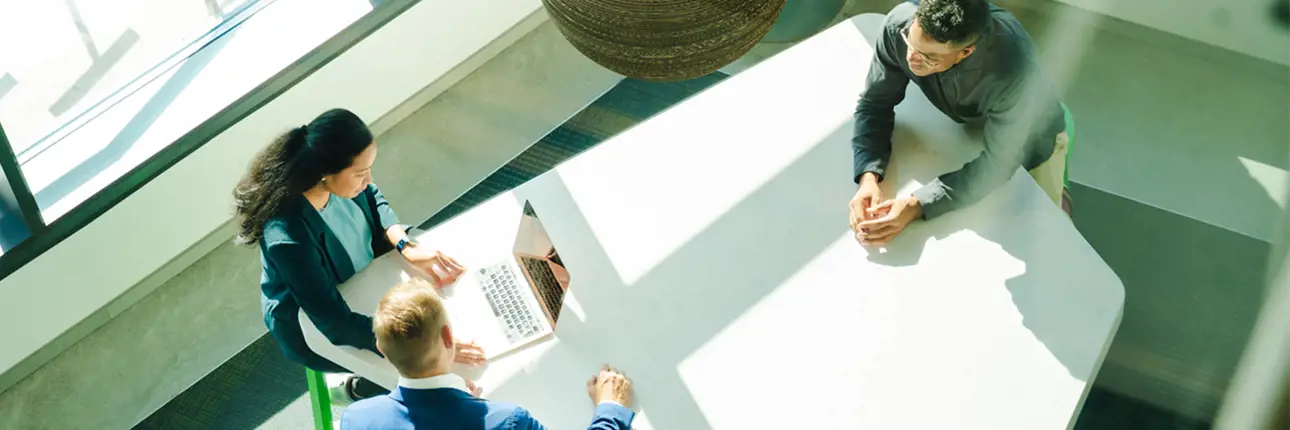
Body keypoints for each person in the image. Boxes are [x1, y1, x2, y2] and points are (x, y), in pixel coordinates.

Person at [233, 108, 484, 399]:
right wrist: (423, 346)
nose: (368, 180)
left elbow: (374, 198)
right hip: (319, 324)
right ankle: (362, 390)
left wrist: (404, 245)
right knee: (404, 363)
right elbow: (336, 324)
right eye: (360, 173)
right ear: (324, 174)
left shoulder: (343, 187)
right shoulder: (287, 237)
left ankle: (370, 386)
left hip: (363, 284)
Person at [849, 0, 1068, 247]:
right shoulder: (899, 24)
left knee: (1041, 230)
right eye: (911, 42)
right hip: (974, 123)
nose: (912, 58)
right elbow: (874, 104)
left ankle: (1062, 199)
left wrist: (916, 205)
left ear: (965, 52)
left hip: (1035, 134)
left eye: (929, 57)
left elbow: (1000, 163)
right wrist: (869, 176)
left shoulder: (1014, 68)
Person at [340, 279, 636, 430]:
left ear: (382, 349)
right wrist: (611, 408)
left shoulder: (357, 420)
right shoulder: (507, 422)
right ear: (447, 337)